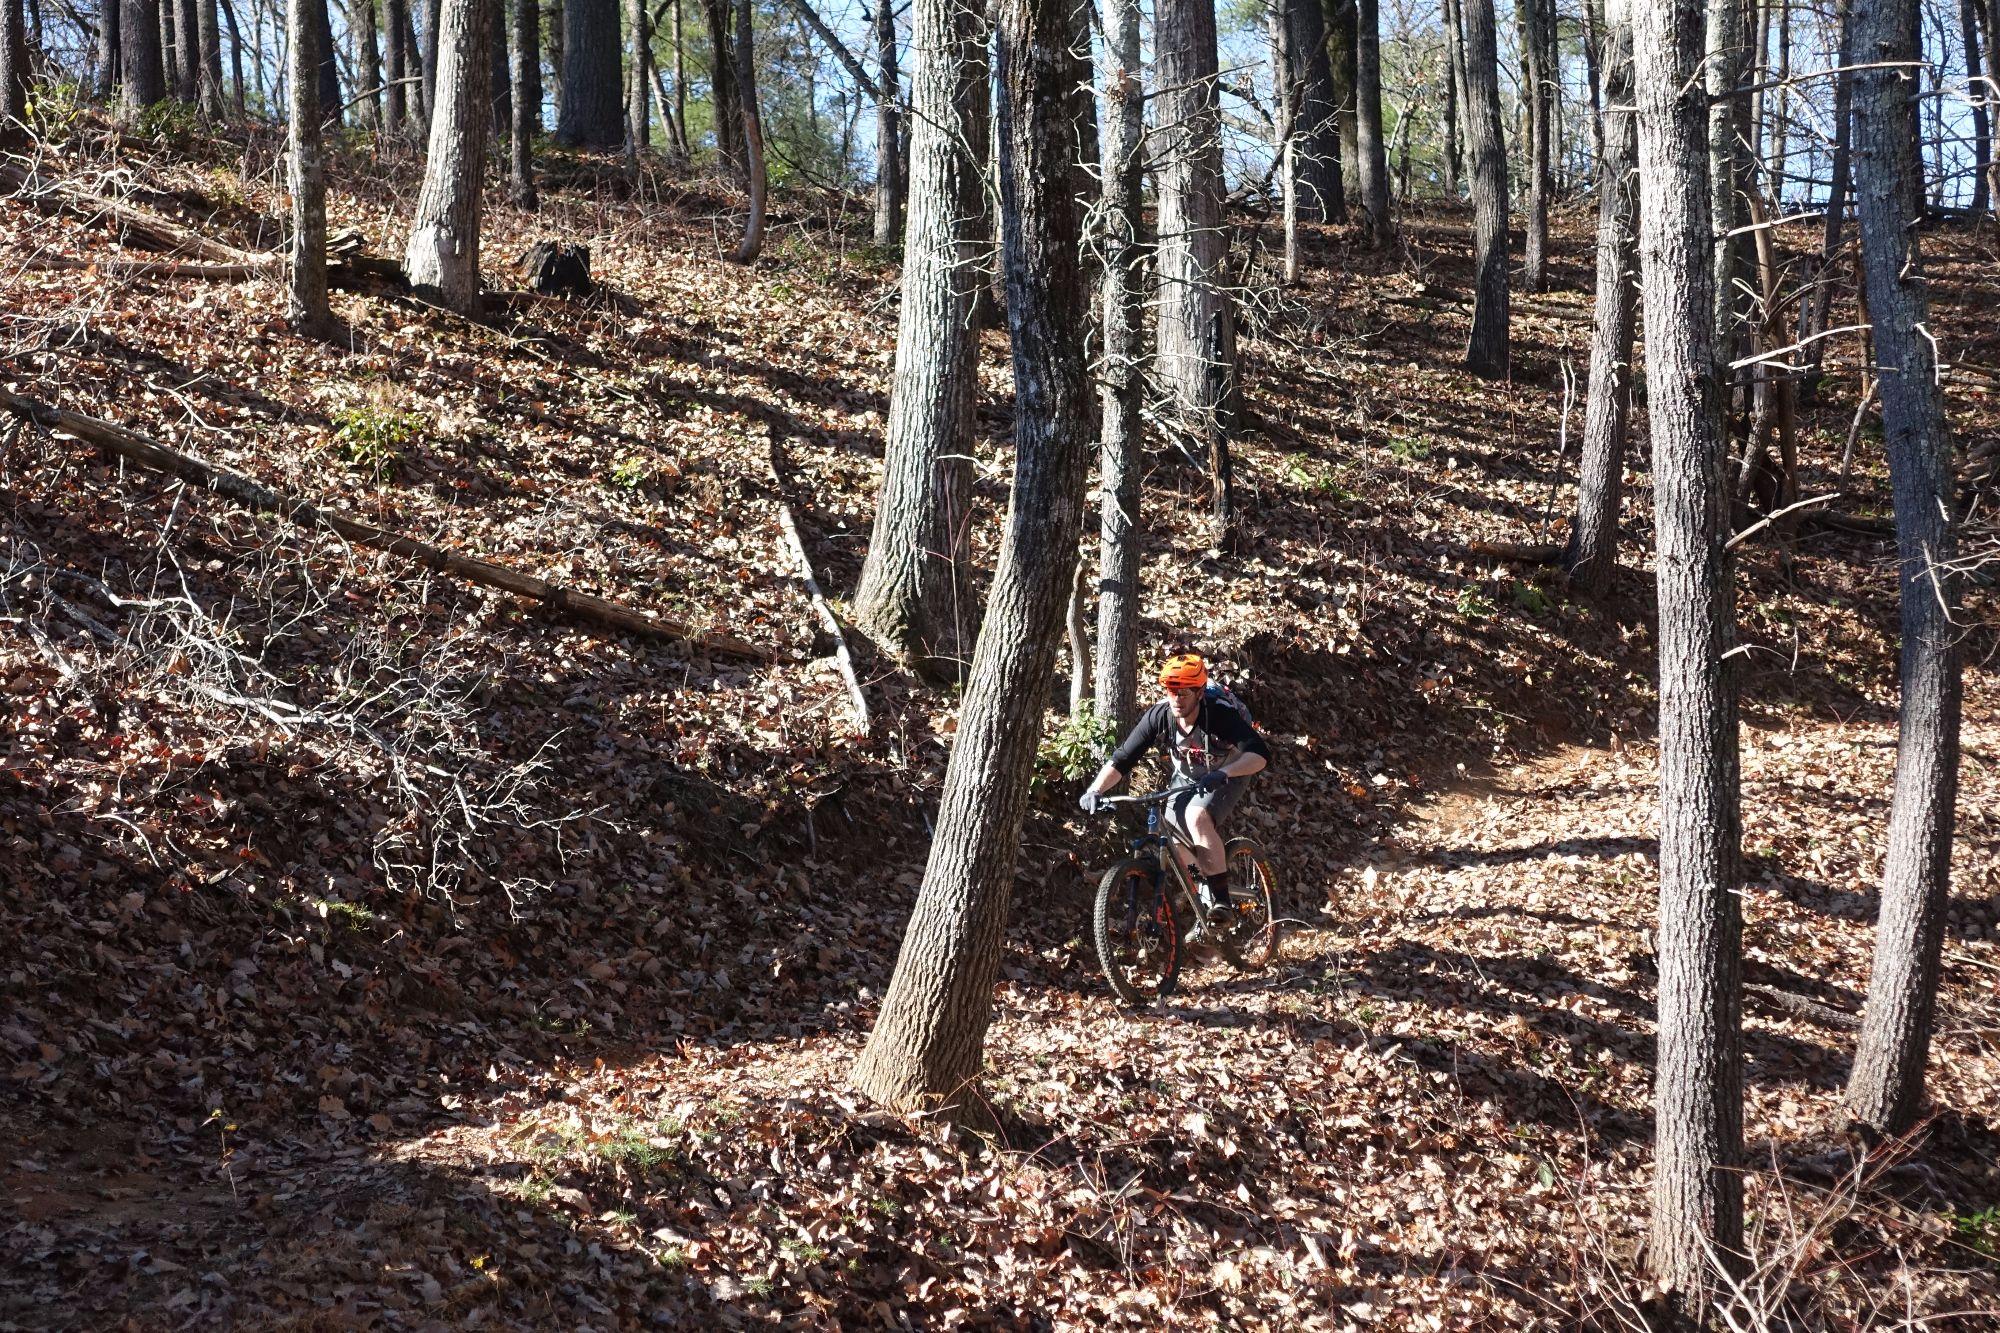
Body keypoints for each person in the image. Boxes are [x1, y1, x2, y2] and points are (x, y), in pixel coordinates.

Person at [1078, 653, 1269, 922]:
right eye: (1172, 691)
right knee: (1171, 838)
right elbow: (1123, 759)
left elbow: (1259, 755)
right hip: (1188, 773)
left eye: (1185, 693)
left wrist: (1224, 773)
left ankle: (1222, 901)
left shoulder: (1219, 715)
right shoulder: (1159, 716)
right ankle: (1204, 889)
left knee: (1196, 817)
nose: (1177, 699)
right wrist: (1095, 790)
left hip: (1230, 769)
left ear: (1200, 692)